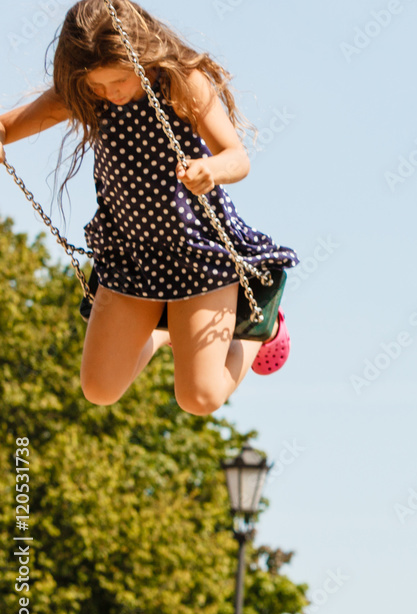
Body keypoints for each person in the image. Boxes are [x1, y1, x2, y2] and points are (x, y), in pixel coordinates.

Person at [0, 0, 298, 415]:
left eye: (120, 80)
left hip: (198, 251)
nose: (112, 93)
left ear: (140, 55)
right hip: (132, 255)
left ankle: (261, 325)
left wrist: (209, 169)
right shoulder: (86, 91)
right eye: (100, 86)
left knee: (199, 398)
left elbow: (237, 157)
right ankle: (166, 332)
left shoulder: (180, 81)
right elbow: (7, 127)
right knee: (99, 389)